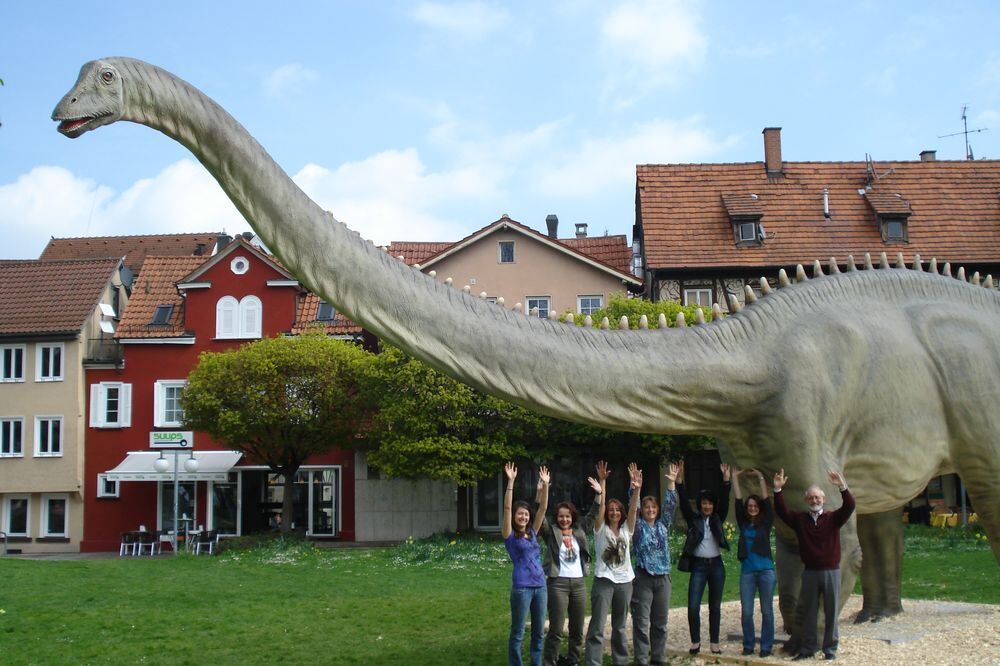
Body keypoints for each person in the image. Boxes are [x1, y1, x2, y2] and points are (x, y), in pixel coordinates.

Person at [772, 468, 856, 661]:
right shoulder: (800, 520)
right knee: (809, 612)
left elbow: (850, 505)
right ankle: (808, 648)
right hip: (810, 572)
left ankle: (830, 650)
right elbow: (782, 512)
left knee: (831, 612)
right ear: (806, 501)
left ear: (824, 500)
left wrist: (842, 486)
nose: (814, 501)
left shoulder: (833, 518)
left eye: (817, 498)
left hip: (831, 572)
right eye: (811, 498)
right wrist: (777, 490)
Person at [536, 464, 605, 666]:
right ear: (557, 518)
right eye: (561, 516)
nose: (564, 519)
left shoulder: (580, 529)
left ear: (572, 517)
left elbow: (593, 514)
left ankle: (573, 660)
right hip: (557, 583)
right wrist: (541, 492)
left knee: (577, 629)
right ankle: (550, 661)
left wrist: (599, 494)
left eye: (567, 516)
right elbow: (540, 514)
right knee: (556, 629)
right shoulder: (551, 532)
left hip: (578, 584)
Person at [583, 462, 642, 666]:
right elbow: (601, 507)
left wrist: (637, 489)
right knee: (597, 626)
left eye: (618, 510)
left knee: (620, 627)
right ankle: (593, 662)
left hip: (625, 582)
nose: (614, 512)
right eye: (611, 510)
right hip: (604, 581)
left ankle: (621, 661)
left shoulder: (627, 529)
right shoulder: (600, 529)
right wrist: (603, 482)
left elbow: (634, 509)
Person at [677, 460, 731, 655]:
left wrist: (726, 481)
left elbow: (725, 501)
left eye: (709, 503)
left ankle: (714, 643)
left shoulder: (718, 518)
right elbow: (683, 503)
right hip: (698, 566)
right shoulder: (694, 520)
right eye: (704, 503)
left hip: (716, 566)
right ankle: (695, 641)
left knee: (715, 607)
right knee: (693, 605)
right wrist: (679, 482)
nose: (707, 506)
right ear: (700, 505)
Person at [630, 461, 679, 666]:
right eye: (647, 507)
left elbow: (671, 506)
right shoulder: (638, 526)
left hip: (663, 579)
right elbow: (633, 506)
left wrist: (672, 484)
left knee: (660, 622)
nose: (650, 510)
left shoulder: (663, 526)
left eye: (653, 507)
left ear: (657, 510)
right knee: (641, 622)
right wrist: (635, 487)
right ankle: (641, 659)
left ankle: (658, 657)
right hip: (643, 578)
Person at [503, 461, 550, 666]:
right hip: (522, 589)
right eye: (519, 513)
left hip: (541, 587)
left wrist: (546, 485)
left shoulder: (532, 532)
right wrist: (511, 482)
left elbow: (544, 507)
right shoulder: (510, 535)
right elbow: (506, 508)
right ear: (514, 517)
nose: (523, 516)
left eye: (526, 514)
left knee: (539, 633)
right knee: (518, 633)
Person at [733, 468, 776, 658]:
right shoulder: (743, 523)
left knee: (767, 611)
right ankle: (749, 644)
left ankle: (766, 646)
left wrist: (760, 477)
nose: (752, 508)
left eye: (754, 505)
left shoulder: (765, 523)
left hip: (766, 571)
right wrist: (735, 478)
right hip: (748, 572)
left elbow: (767, 502)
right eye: (749, 505)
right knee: (747, 612)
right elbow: (737, 500)